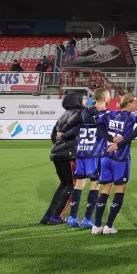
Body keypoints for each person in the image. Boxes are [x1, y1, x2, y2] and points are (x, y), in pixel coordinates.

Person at [91, 94, 137, 234]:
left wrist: (111, 138)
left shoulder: (109, 114)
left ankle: (96, 226)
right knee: (119, 191)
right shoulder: (131, 116)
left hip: (106, 157)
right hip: (120, 159)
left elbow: (98, 128)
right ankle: (109, 226)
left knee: (105, 190)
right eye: (135, 102)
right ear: (128, 104)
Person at [62, 89, 111, 228]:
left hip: (81, 152)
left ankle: (72, 217)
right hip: (95, 154)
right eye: (108, 96)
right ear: (106, 98)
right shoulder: (106, 114)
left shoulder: (85, 113)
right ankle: (88, 218)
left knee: (79, 184)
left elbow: (79, 122)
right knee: (94, 185)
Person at [41, 92, 85, 225]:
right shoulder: (80, 114)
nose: (86, 101)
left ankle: (49, 216)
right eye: (84, 99)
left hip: (57, 153)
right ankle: (57, 216)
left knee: (64, 185)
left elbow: (54, 135)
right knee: (71, 185)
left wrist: (60, 141)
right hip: (69, 154)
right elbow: (78, 126)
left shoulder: (63, 115)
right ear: (77, 101)